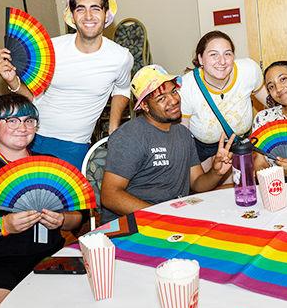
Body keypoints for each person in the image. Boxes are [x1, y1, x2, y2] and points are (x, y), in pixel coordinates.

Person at [0, 0, 134, 169]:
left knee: (68, 198)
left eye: (95, 8)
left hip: (75, 146)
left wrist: (113, 127)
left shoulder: (120, 57)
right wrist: (13, 82)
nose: (88, 15)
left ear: (106, 14)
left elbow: (123, 88)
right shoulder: (50, 48)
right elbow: (32, 98)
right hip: (31, 136)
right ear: (72, 15)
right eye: (80, 9)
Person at [0, 94, 85, 308]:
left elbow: (78, 217)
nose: (22, 127)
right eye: (12, 121)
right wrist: (2, 226)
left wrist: (62, 219)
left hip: (50, 257)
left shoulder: (50, 163)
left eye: (29, 120)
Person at [100, 64, 235, 223]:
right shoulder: (129, 136)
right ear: (144, 106)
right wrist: (160, 216)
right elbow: (110, 196)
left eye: (173, 91)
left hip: (173, 218)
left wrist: (216, 172)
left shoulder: (183, 133)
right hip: (133, 224)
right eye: (161, 98)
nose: (173, 101)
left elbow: (197, 184)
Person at [180, 31, 267, 162]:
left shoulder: (249, 71)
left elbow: (271, 104)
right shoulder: (186, 86)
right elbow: (182, 137)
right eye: (213, 54)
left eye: (227, 54)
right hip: (206, 152)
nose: (222, 61)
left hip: (243, 146)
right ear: (200, 59)